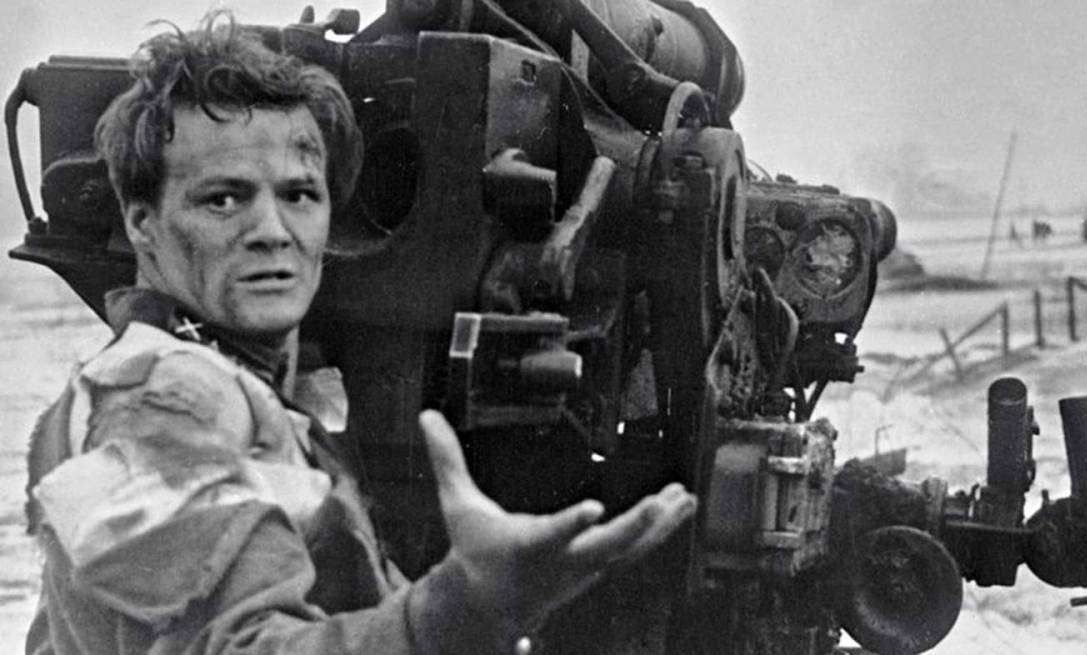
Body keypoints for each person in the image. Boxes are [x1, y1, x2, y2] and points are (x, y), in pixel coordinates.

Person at [24, 12, 696, 654]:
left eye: (299, 195)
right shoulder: (166, 398)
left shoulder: (222, 383)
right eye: (222, 199)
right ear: (141, 223)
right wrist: (458, 606)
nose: (272, 231)